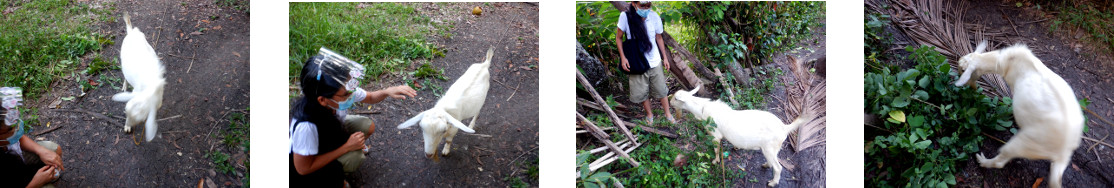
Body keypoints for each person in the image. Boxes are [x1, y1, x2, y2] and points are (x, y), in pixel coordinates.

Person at [289, 48, 417, 187]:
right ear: (322, 100)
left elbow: (370, 97)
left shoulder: (341, 91)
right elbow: (303, 169)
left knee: (366, 125)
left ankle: (342, 162)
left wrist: (387, 91)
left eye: (352, 89)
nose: (352, 95)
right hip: (307, 163)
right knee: (354, 158)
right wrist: (346, 148)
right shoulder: (306, 126)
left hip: (329, 136)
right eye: (346, 94)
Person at [616, 1, 675, 124]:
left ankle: (668, 114)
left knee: (661, 90)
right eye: (642, 6)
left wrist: (665, 57)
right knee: (642, 92)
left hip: (654, 61)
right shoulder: (625, 17)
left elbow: (659, 38)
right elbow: (619, 37)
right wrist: (623, 57)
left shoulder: (654, 17)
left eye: (648, 5)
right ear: (634, 4)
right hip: (636, 61)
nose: (646, 8)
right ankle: (649, 114)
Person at [0, 88, 64, 188]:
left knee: (54, 150)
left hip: (18, 162)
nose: (17, 128)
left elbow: (17, 138)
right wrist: (36, 183)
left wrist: (41, 150)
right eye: (10, 129)